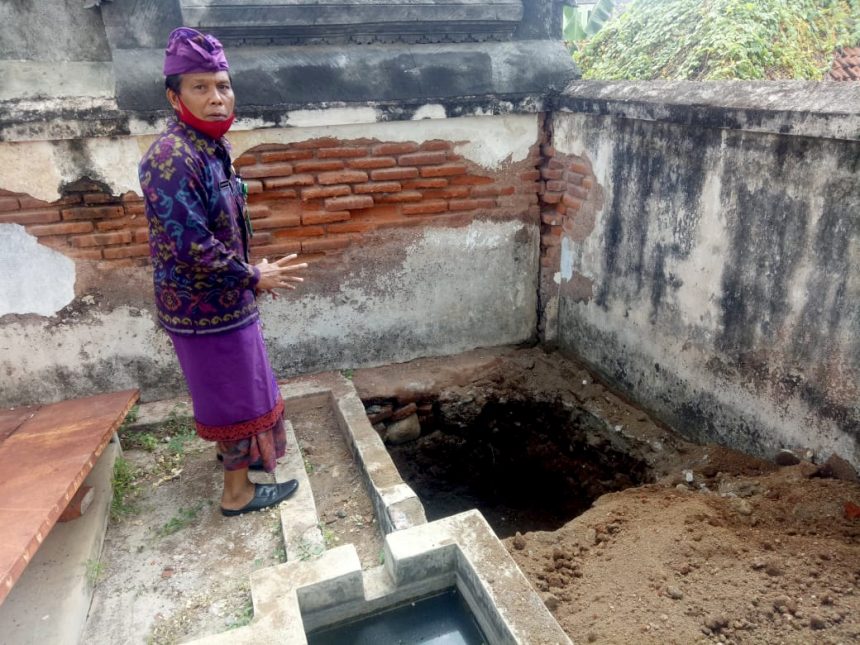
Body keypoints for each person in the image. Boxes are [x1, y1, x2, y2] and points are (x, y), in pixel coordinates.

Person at [139, 27, 306, 517]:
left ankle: (232, 465)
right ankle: (238, 495)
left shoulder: (210, 146)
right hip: (202, 308)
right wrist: (253, 275)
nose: (217, 98)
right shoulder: (171, 158)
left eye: (223, 86)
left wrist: (250, 277)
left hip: (223, 299)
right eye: (201, 87)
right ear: (175, 96)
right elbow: (190, 244)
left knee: (237, 389)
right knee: (234, 398)